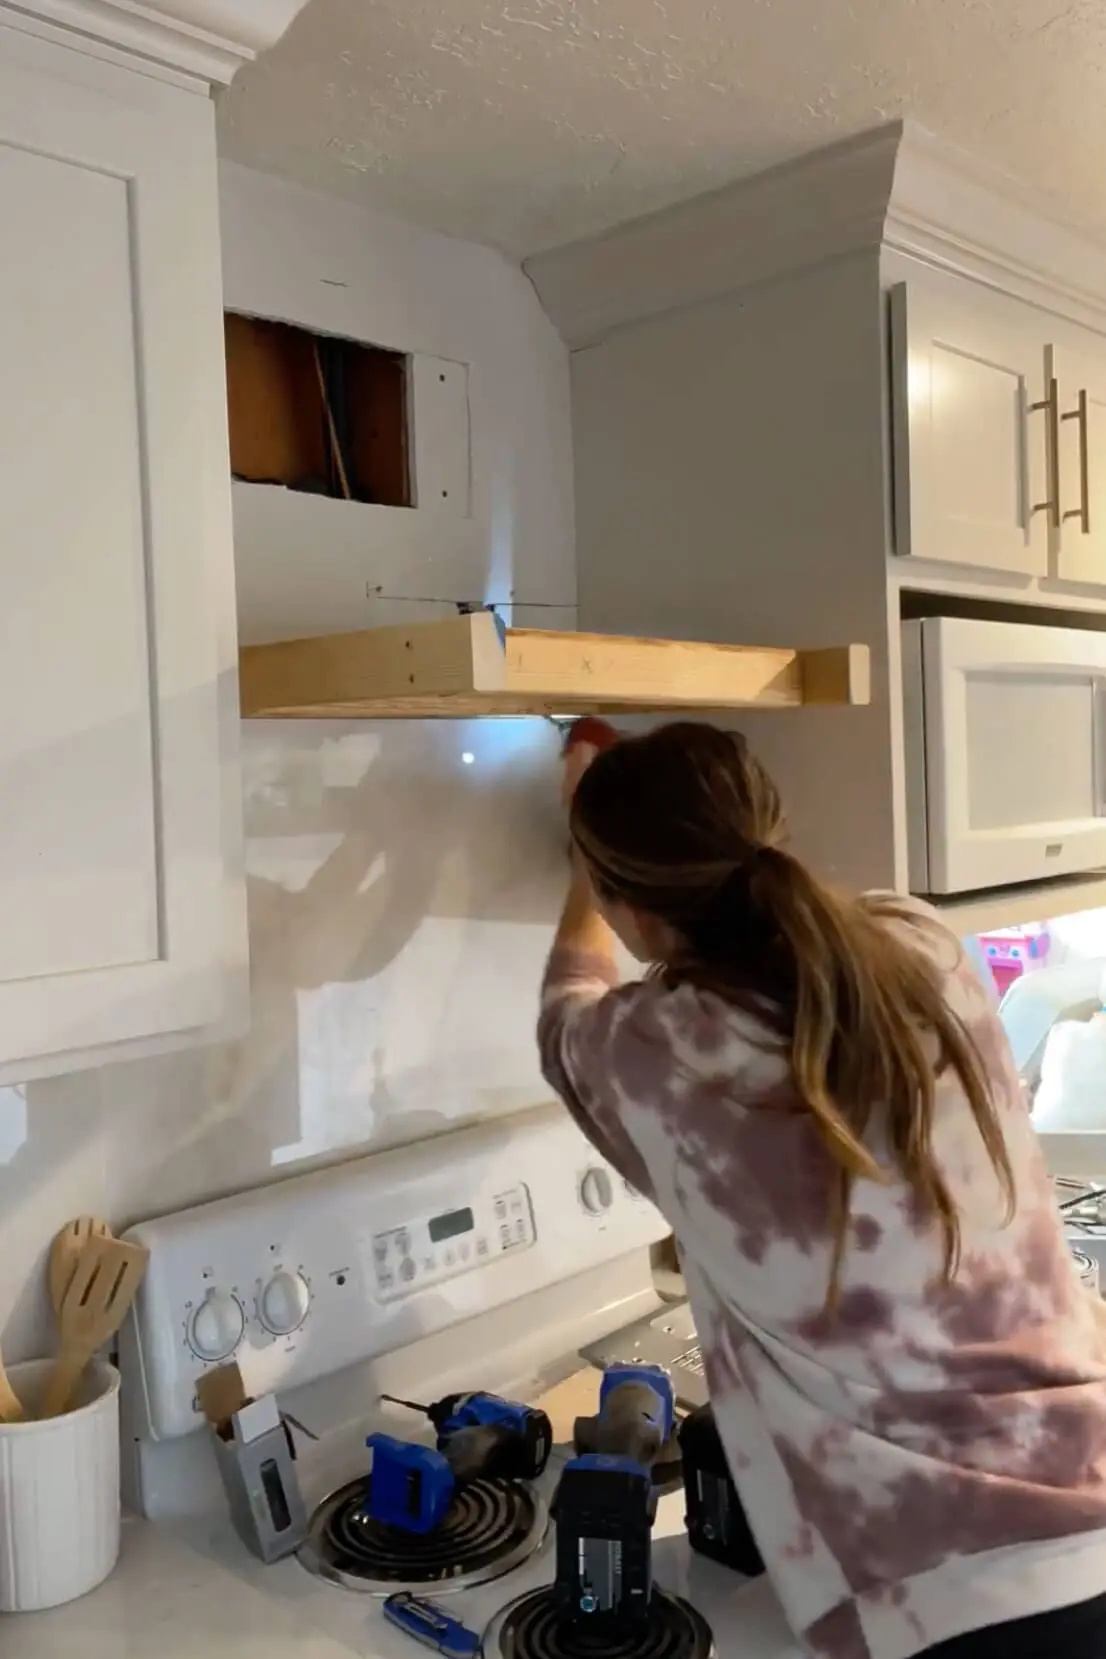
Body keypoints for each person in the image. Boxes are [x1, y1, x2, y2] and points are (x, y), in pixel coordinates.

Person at [537, 721, 1106, 1659]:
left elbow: (567, 1004)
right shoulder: (920, 946)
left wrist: (579, 865)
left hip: (950, 1598)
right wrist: (606, 856)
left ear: (627, 906)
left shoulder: (652, 1055)